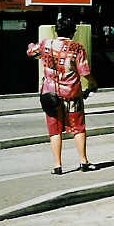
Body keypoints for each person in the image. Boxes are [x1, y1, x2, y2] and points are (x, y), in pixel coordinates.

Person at [27, 16, 98, 174]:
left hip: (49, 95)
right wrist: (93, 84)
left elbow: (31, 52)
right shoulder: (77, 48)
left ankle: (57, 165)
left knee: (54, 130)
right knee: (78, 128)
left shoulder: (46, 44)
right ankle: (83, 161)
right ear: (73, 32)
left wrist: (33, 45)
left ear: (56, 30)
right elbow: (84, 71)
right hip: (72, 95)